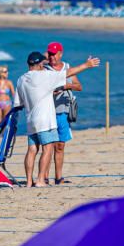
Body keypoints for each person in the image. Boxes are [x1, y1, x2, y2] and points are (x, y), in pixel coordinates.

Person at [14, 51, 100, 187]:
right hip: (45, 120)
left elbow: (19, 104)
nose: (44, 65)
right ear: (37, 64)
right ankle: (41, 180)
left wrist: (45, 93)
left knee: (31, 150)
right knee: (47, 149)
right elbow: (68, 72)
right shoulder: (44, 76)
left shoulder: (21, 79)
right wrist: (86, 65)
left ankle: (29, 182)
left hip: (30, 121)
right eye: (42, 63)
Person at [45, 41, 81, 185]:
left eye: (54, 54)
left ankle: (59, 177)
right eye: (50, 54)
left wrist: (66, 86)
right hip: (48, 112)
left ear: (60, 54)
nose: (52, 57)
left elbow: (79, 86)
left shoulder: (67, 68)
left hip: (63, 112)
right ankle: (44, 177)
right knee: (48, 146)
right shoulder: (44, 69)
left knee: (60, 145)